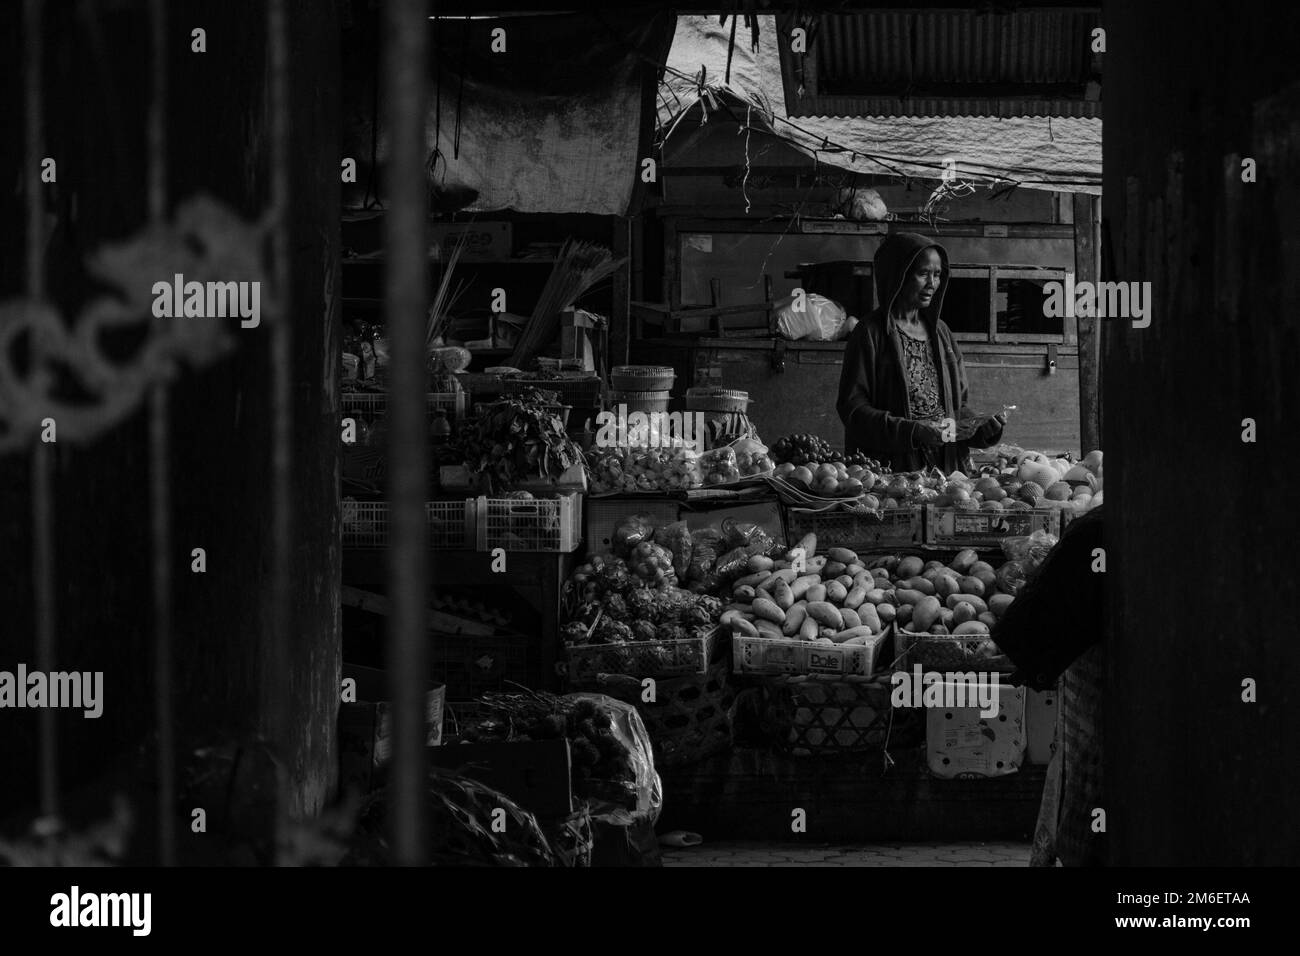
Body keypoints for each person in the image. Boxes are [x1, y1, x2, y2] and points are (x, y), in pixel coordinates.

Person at [991, 505, 1106, 867]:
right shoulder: (1100, 527)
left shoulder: (1099, 527)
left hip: (1100, 697)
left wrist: (1025, 658)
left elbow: (1039, 608)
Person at [836, 233, 1005, 471]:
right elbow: (853, 410)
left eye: (937, 275)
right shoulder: (869, 333)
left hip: (946, 471)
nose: (932, 284)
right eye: (923, 273)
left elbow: (957, 409)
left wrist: (982, 427)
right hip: (892, 472)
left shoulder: (941, 333)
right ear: (898, 275)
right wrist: (913, 431)